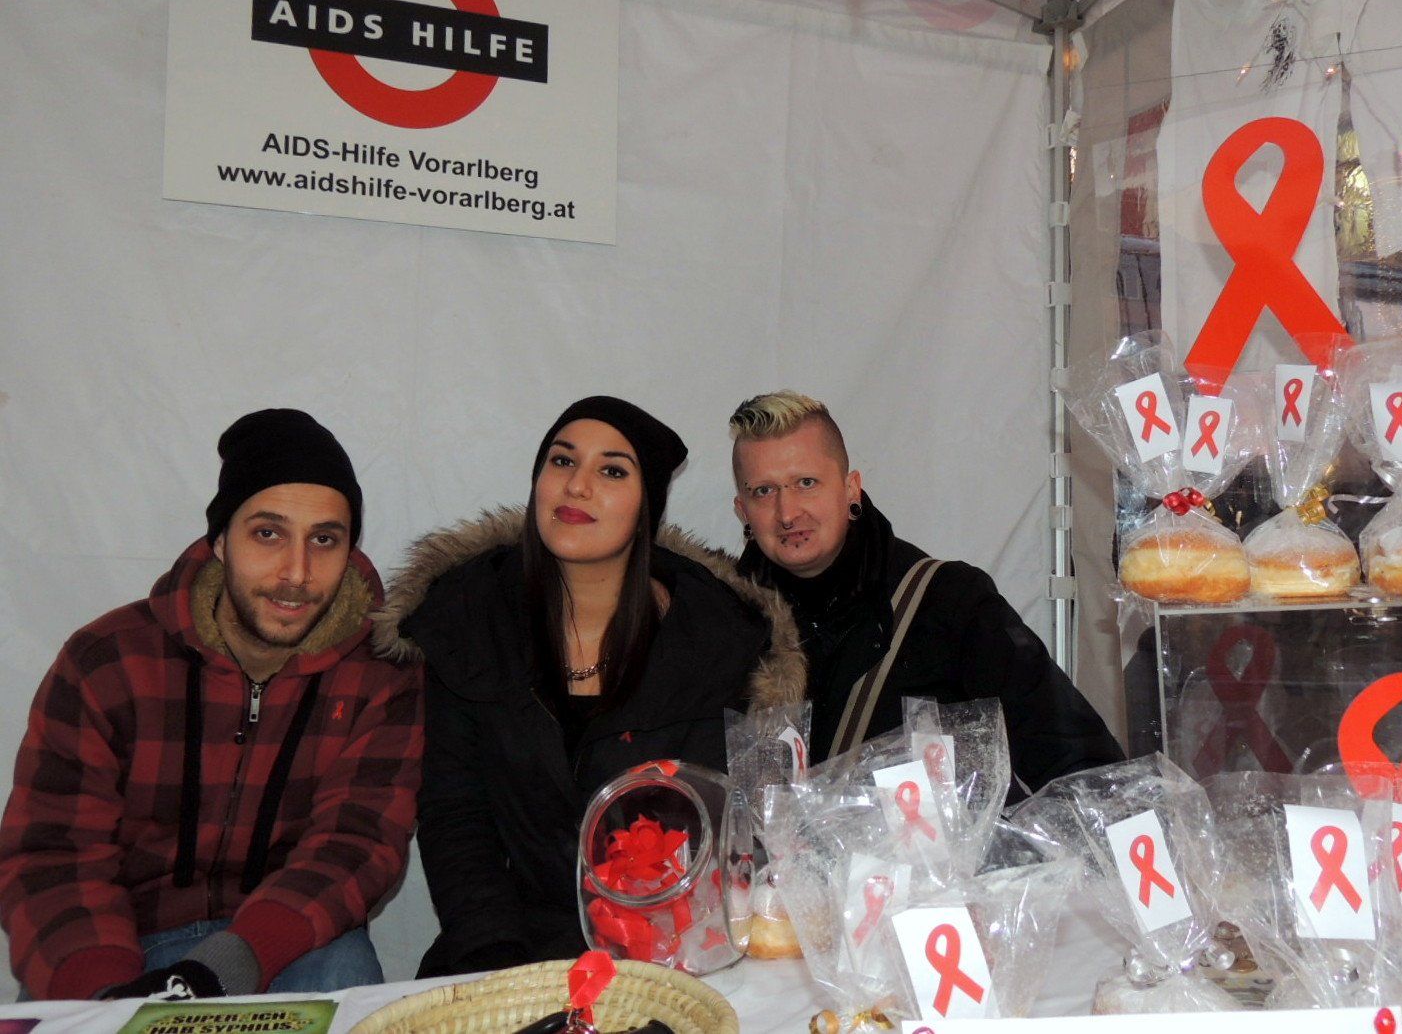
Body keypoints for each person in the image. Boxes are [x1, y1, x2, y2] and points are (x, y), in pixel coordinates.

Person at [0, 409, 424, 1001]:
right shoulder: (108, 660)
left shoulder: (380, 674)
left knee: (341, 974)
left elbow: (356, 846)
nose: (297, 572)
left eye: (324, 539)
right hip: (120, 945)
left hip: (288, 943)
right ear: (220, 541)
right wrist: (105, 999)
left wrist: (229, 963)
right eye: (268, 533)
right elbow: (54, 851)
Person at [372, 396, 803, 976]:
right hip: (503, 947)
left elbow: (719, 837)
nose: (577, 486)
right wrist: (496, 958)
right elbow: (456, 815)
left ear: (646, 507)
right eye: (562, 461)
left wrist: (656, 960)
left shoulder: (714, 641)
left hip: (665, 955)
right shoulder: (469, 617)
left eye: (612, 471)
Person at [728, 390, 1124, 793]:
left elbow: (1081, 764)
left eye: (806, 483)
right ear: (742, 510)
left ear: (851, 489)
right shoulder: (720, 626)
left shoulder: (950, 602)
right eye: (764, 491)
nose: (788, 513)